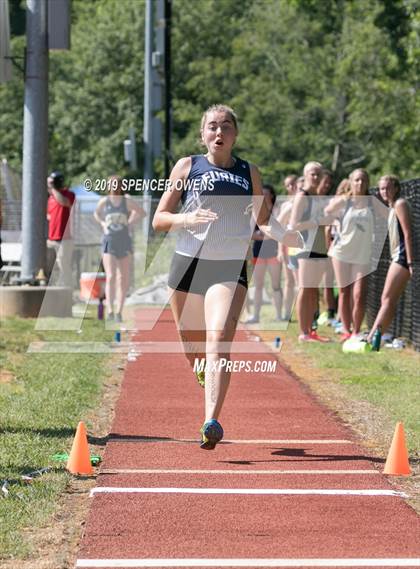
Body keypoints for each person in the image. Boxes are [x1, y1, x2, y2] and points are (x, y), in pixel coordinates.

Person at [152, 104, 301, 450]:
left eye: (226, 127)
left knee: (218, 338)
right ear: (203, 134)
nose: (219, 133)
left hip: (228, 266)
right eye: (213, 127)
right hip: (187, 264)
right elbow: (160, 218)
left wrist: (289, 235)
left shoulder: (250, 172)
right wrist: (186, 220)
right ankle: (203, 372)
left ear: (235, 134)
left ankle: (211, 422)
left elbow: (264, 220)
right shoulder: (187, 166)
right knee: (194, 348)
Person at [325, 169, 374, 341]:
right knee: (344, 291)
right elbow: (327, 211)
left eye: (363, 180)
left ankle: (356, 331)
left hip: (362, 254)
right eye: (357, 180)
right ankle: (346, 330)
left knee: (359, 294)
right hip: (341, 252)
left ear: (367, 182)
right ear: (351, 182)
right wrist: (335, 221)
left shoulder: (372, 202)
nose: (360, 183)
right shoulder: (345, 201)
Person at [288, 161, 332, 342]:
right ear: (305, 175)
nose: (315, 177)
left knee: (313, 291)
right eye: (312, 174)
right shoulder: (302, 196)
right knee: (305, 290)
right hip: (306, 247)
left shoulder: (318, 196)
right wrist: (319, 222)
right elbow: (293, 225)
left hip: (320, 247)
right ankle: (303, 333)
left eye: (318, 174)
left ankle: (310, 331)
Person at [367, 175, 413, 346]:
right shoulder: (391, 206)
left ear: (395, 188)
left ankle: (372, 338)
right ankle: (376, 338)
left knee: (386, 299)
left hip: (401, 259)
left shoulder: (400, 204)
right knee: (389, 300)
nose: (384, 192)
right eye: (381, 189)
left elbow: (407, 234)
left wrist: (409, 262)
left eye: (387, 188)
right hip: (398, 257)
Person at [94, 175, 145, 323]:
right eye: (112, 184)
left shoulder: (126, 201)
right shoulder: (104, 201)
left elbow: (141, 212)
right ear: (108, 186)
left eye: (117, 184)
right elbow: (96, 213)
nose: (114, 187)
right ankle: (109, 310)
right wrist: (103, 223)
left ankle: (119, 312)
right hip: (109, 240)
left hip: (124, 240)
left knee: (123, 277)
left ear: (121, 186)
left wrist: (130, 222)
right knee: (110, 276)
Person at [246, 184, 282, 324]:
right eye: (262, 194)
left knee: (275, 285)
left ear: (272, 195)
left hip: (274, 251)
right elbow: (249, 233)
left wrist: (267, 234)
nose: (264, 197)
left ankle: (279, 315)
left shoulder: (277, 210)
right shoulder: (256, 212)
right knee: (258, 285)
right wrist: (264, 236)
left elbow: (280, 231)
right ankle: (256, 316)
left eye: (266, 194)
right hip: (258, 252)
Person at [46, 171, 75, 288]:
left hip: (65, 238)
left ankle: (67, 289)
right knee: (51, 266)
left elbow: (64, 202)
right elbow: (49, 216)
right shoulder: (51, 198)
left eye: (51, 183)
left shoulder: (68, 194)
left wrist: (53, 189)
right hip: (52, 238)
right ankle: (55, 286)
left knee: (63, 264)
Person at [276, 175, 298, 320]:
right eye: (288, 185)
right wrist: (280, 249)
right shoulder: (285, 205)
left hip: (302, 246)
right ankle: (287, 313)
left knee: (300, 282)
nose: (291, 187)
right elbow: (280, 228)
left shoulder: (304, 201)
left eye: (293, 184)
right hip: (288, 247)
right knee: (289, 281)